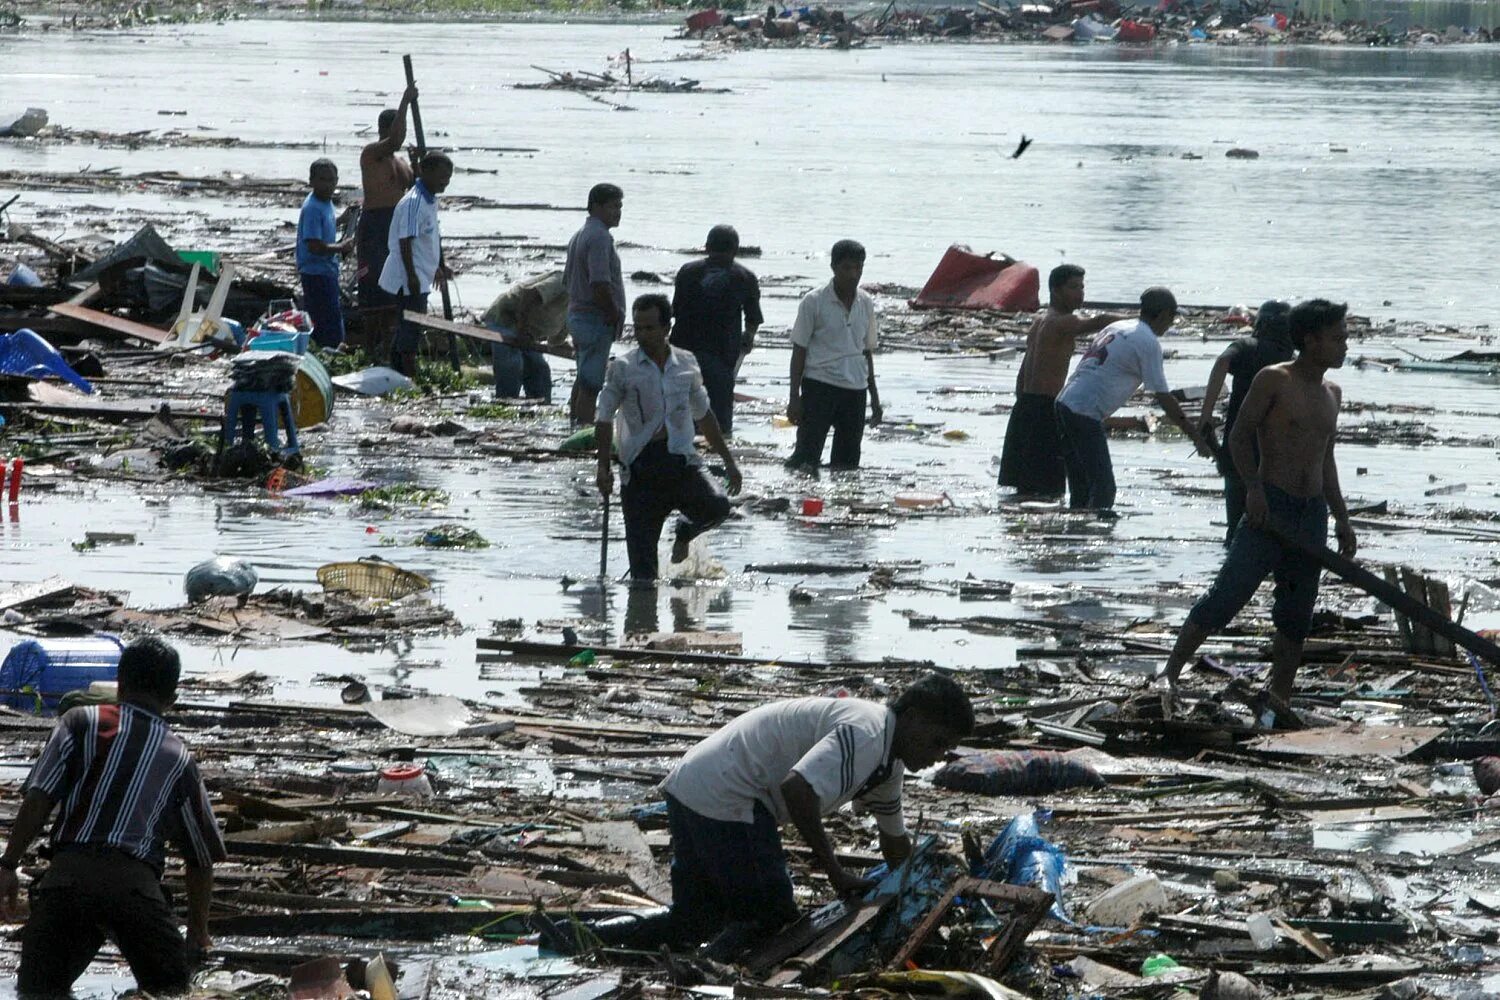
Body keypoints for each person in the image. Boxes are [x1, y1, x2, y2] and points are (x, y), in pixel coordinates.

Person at [535, 672, 974, 959]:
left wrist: (925, 894)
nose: (937, 757)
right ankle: (710, 973)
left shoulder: (888, 764)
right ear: (913, 718)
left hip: (698, 783)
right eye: (936, 742)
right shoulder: (869, 731)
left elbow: (894, 840)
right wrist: (835, 872)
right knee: (771, 918)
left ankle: (571, 936)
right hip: (733, 793)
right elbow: (797, 790)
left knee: (695, 918)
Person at [1, 637, 226, 996]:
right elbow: (200, 856)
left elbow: (39, 797)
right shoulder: (178, 755)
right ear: (171, 698)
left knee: (38, 991)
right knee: (169, 988)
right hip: (134, 889)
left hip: (68, 881)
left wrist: (9, 864)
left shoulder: (79, 722)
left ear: (119, 683)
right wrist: (198, 932)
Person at [1158, 300, 1356, 705]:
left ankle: (1279, 694)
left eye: (1345, 338)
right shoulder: (1273, 379)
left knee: (1296, 613)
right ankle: (1170, 671)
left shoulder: (1332, 392)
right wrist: (1253, 488)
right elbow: (1239, 435)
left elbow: (1327, 458)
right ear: (1309, 339)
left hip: (1311, 512)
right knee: (1227, 595)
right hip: (1271, 507)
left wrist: (1342, 518)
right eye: (1337, 338)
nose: (1345, 347)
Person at [596, 294, 741, 583]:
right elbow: (603, 418)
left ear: (667, 329)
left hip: (680, 461)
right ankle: (641, 623)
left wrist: (729, 461)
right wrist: (602, 466)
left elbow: (704, 415)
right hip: (639, 470)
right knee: (643, 576)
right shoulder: (623, 368)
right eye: (638, 328)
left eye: (650, 328)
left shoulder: (685, 363)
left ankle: (684, 531)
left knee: (717, 506)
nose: (643, 335)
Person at [1053, 287, 1210, 511]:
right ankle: (1095, 538)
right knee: (1104, 489)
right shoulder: (1148, 342)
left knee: (1082, 485)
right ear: (1164, 315)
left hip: (1064, 403)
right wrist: (1195, 437)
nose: (1171, 323)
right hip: (1084, 411)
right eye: (1172, 318)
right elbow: (1164, 398)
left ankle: (1076, 534)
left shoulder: (1117, 327)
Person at [999, 264, 1121, 498]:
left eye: (1082, 287)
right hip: (1044, 408)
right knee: (1047, 487)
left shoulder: (1039, 321)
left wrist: (1023, 408)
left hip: (1025, 407)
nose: (1080, 293)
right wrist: (1142, 321)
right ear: (1055, 291)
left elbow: (1022, 374)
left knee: (1026, 485)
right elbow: (1100, 320)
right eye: (1073, 287)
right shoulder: (1063, 322)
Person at [1198, 300, 1293, 544]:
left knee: (1237, 525)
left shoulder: (1247, 346)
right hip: (1277, 455)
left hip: (1238, 449)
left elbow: (1221, 363)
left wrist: (1206, 415)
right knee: (1271, 527)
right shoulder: (1290, 358)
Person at [786, 239, 883, 471]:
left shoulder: (866, 302)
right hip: (820, 386)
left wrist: (875, 400)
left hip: (855, 390)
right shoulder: (814, 301)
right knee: (806, 459)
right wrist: (794, 398)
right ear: (834, 268)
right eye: (847, 268)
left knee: (847, 464)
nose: (853, 274)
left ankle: (840, 504)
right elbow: (799, 350)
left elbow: (866, 352)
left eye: (858, 268)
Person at [671, 224, 763, 434]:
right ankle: (719, 449)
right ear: (735, 249)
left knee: (680, 409)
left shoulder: (688, 271)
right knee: (719, 414)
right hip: (721, 354)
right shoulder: (744, 276)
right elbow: (753, 317)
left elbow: (675, 310)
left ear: (706, 247)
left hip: (684, 351)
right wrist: (748, 336)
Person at [377, 151, 454, 378]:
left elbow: (429, 238)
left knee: (408, 324)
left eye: (448, 177)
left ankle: (397, 371)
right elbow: (405, 241)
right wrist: (411, 275)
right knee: (411, 325)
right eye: (441, 176)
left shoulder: (430, 200)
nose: (445, 182)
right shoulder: (414, 202)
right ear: (424, 171)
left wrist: (440, 265)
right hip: (407, 275)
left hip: (421, 273)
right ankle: (409, 375)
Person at [564, 183, 626, 425]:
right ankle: (585, 429)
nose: (618, 212)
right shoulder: (599, 236)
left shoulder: (581, 233)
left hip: (578, 315)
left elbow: (567, 280)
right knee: (591, 383)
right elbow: (600, 283)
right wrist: (613, 314)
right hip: (593, 318)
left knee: (583, 377)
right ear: (596, 206)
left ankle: (574, 425)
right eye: (613, 206)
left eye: (620, 207)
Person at [356, 86, 417, 316]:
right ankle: (371, 339)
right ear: (382, 129)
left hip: (396, 221)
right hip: (375, 222)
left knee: (395, 276)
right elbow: (394, 140)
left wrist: (417, 164)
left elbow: (413, 185)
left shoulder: (399, 160)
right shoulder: (372, 153)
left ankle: (393, 328)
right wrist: (405, 101)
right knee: (373, 280)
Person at [482, 270, 567, 401]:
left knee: (540, 370)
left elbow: (556, 340)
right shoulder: (563, 280)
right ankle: (505, 402)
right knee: (512, 363)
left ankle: (540, 406)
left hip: (527, 334)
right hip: (504, 319)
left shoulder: (578, 304)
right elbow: (530, 294)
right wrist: (522, 330)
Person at [297, 157, 353, 350]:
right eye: (322, 179)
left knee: (332, 317)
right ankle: (329, 354)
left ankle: (331, 351)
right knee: (327, 322)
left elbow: (324, 227)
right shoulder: (313, 207)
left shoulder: (326, 203)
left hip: (326, 271)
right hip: (316, 273)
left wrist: (342, 220)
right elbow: (314, 245)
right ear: (311, 181)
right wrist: (341, 247)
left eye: (331, 180)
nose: (328, 185)